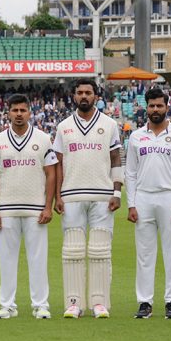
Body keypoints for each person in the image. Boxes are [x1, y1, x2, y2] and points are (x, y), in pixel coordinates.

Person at [53, 78, 123, 319]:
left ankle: (99, 303)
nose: (84, 96)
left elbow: (116, 159)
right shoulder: (63, 126)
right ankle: (74, 303)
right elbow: (58, 163)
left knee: (100, 250)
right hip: (71, 194)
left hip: (103, 194)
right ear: (74, 96)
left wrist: (117, 192)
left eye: (88, 93)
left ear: (96, 96)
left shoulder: (109, 124)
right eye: (80, 93)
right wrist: (57, 195)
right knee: (72, 250)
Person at [126, 87, 171, 319]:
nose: (155, 109)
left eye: (159, 106)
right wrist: (131, 204)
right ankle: (145, 301)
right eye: (152, 106)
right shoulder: (136, 136)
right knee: (144, 253)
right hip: (143, 197)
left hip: (169, 197)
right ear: (146, 107)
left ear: (167, 106)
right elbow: (131, 173)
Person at [0, 94, 56, 319]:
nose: (19, 114)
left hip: (35, 209)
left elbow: (51, 173)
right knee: (7, 260)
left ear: (30, 112)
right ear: (8, 113)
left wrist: (48, 206)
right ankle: (7, 305)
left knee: (38, 258)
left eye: (23, 110)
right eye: (15, 110)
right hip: (6, 209)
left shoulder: (44, 139)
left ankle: (41, 305)